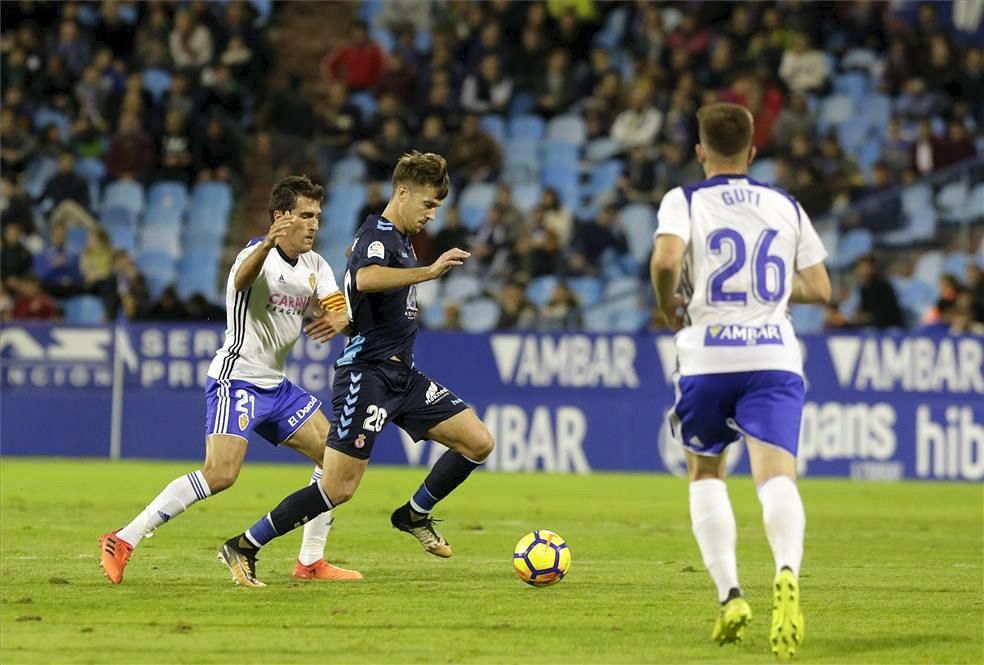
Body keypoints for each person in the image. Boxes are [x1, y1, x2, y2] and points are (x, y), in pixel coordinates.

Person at [217, 152, 494, 587]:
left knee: (478, 442)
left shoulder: (402, 240)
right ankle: (245, 545)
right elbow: (364, 278)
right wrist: (429, 272)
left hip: (404, 375)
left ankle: (413, 514)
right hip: (367, 376)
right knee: (338, 487)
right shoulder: (376, 233)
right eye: (427, 204)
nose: (432, 214)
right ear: (402, 193)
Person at [99, 176, 362, 585]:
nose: (314, 225)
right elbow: (241, 280)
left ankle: (310, 561)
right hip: (237, 381)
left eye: (317, 217)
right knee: (220, 474)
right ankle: (123, 538)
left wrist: (340, 317)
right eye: (305, 216)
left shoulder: (316, 266)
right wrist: (267, 246)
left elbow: (339, 311)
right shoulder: (253, 258)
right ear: (280, 217)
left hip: (278, 386)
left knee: (334, 462)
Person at [650, 103, 831, 658]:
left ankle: (730, 593)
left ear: (700, 151)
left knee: (706, 472)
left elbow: (665, 260)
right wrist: (771, 295)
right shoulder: (784, 203)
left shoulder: (684, 199)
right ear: (753, 151)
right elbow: (820, 288)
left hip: (707, 357)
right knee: (777, 475)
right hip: (774, 356)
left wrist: (667, 305)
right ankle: (786, 570)